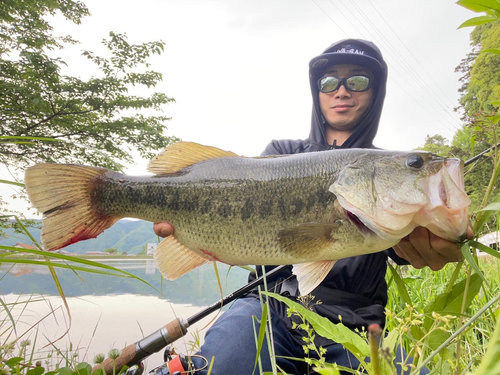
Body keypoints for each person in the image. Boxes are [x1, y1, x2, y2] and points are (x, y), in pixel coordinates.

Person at [152, 39, 471, 374]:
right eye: (329, 81)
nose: (342, 91)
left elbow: (410, 249)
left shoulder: (388, 188)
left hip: (357, 325)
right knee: (227, 360)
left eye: (358, 80)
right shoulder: (283, 151)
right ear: (317, 92)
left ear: (376, 93)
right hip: (266, 306)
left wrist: (430, 240)